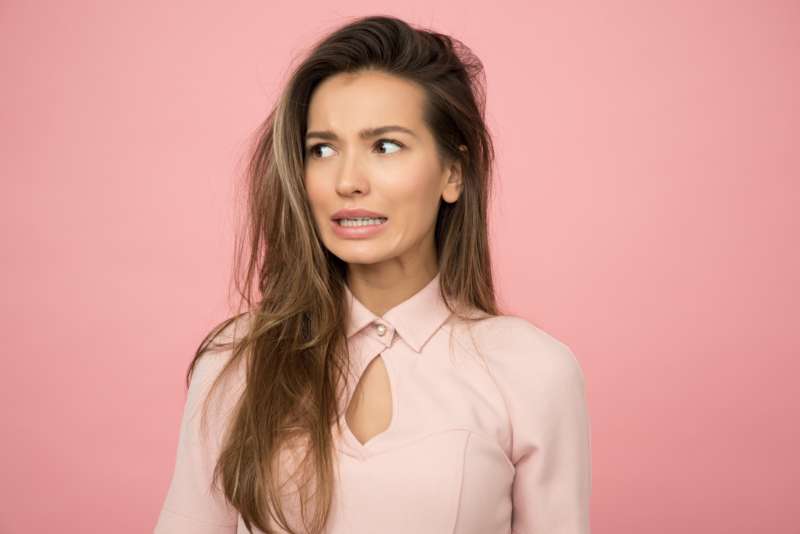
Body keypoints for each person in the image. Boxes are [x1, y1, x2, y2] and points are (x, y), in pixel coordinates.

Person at [154, 14, 591, 534]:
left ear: (453, 172)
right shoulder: (237, 362)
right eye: (322, 149)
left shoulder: (533, 370)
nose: (347, 181)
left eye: (384, 146)